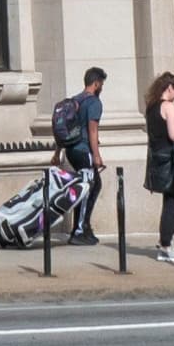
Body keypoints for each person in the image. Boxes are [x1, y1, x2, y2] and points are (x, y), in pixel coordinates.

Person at [139, 72, 174, 264]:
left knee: (171, 200)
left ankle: (166, 243)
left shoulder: (152, 107)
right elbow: (173, 136)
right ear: (169, 88)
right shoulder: (168, 106)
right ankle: (165, 244)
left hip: (157, 158)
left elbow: (162, 132)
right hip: (169, 161)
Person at [48, 66, 109, 242]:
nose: (102, 88)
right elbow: (92, 131)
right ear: (96, 83)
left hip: (71, 151)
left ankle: (84, 226)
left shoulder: (74, 100)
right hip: (84, 151)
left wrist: (57, 153)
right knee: (87, 188)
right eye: (101, 84)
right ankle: (80, 230)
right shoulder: (94, 103)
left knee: (93, 185)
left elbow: (63, 129)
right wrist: (96, 155)